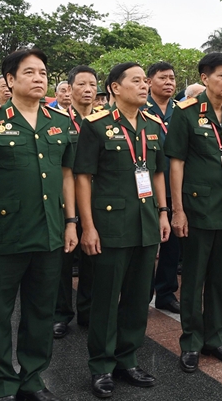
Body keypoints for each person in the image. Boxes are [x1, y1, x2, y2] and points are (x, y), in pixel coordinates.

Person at [0, 48, 78, 401]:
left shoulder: (60, 122)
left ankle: (32, 378)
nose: (39, 78)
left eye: (43, 72)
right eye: (29, 72)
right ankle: (1, 383)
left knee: (40, 311)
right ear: (10, 80)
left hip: (48, 232)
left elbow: (66, 176)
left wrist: (72, 222)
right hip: (3, 235)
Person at [74, 62, 170, 398]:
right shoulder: (96, 125)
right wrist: (87, 226)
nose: (144, 86)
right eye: (137, 81)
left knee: (137, 296)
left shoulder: (154, 125)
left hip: (145, 222)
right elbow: (82, 178)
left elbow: (157, 172)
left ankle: (127, 359)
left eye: (146, 81)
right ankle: (101, 365)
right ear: (115, 88)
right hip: (110, 224)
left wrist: (163, 212)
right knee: (106, 298)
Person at [165, 53, 222, 371]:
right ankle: (190, 342)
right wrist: (178, 210)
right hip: (198, 208)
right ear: (205, 78)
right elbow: (176, 162)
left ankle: (216, 339)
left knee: (220, 278)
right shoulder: (186, 113)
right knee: (194, 278)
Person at [53, 66, 99, 338]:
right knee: (62, 259)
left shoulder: (104, 122)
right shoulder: (57, 121)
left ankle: (88, 309)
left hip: (96, 200)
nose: (88, 89)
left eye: (92, 84)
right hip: (64, 201)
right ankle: (60, 314)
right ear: (69, 89)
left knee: (92, 256)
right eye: (81, 84)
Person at [142, 62, 182, 315]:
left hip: (175, 185)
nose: (169, 82)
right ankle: (143, 293)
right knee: (148, 242)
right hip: (147, 184)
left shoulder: (181, 111)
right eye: (163, 78)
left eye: (172, 78)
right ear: (148, 82)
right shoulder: (140, 108)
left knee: (173, 243)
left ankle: (166, 292)